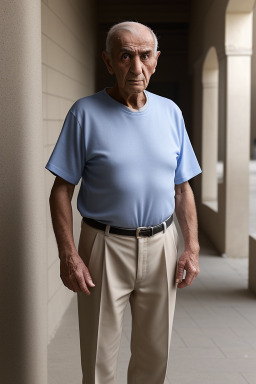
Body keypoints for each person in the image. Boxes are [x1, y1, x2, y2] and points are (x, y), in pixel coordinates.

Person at [46, 21, 202, 384]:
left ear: (156, 60)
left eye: (145, 56)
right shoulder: (84, 113)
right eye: (125, 56)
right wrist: (68, 255)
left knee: (154, 355)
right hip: (103, 245)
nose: (136, 68)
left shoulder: (171, 113)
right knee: (99, 358)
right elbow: (60, 190)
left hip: (162, 244)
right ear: (108, 61)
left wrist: (191, 246)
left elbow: (182, 188)